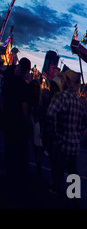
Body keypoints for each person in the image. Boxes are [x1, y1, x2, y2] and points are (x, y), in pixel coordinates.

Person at [46, 69, 87, 197]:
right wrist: (78, 133)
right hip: (74, 146)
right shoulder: (79, 102)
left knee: (58, 171)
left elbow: (50, 115)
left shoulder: (61, 97)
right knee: (73, 172)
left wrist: (54, 134)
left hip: (61, 144)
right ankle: (74, 196)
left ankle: (56, 192)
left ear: (68, 82)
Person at [1, 57, 32, 197]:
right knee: (16, 150)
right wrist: (26, 123)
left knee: (8, 147)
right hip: (18, 121)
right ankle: (14, 180)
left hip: (7, 118)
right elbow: (24, 108)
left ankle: (8, 174)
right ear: (26, 71)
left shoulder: (8, 79)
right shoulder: (24, 87)